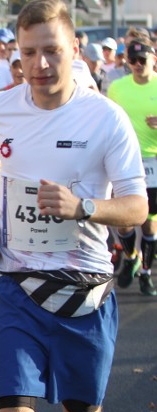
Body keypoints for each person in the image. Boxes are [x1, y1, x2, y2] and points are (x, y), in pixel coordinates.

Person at [0, 1, 148, 412]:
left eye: (52, 50)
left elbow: (138, 209)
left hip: (86, 290)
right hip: (19, 287)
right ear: (15, 55)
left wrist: (84, 207)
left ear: (75, 49)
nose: (41, 64)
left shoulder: (105, 118)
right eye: (29, 53)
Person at [108, 39, 157, 296]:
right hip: (124, 160)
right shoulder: (117, 87)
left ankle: (146, 274)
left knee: (148, 224)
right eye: (132, 61)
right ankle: (131, 255)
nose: (137, 66)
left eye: (143, 61)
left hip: (154, 161)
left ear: (153, 60)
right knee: (124, 222)